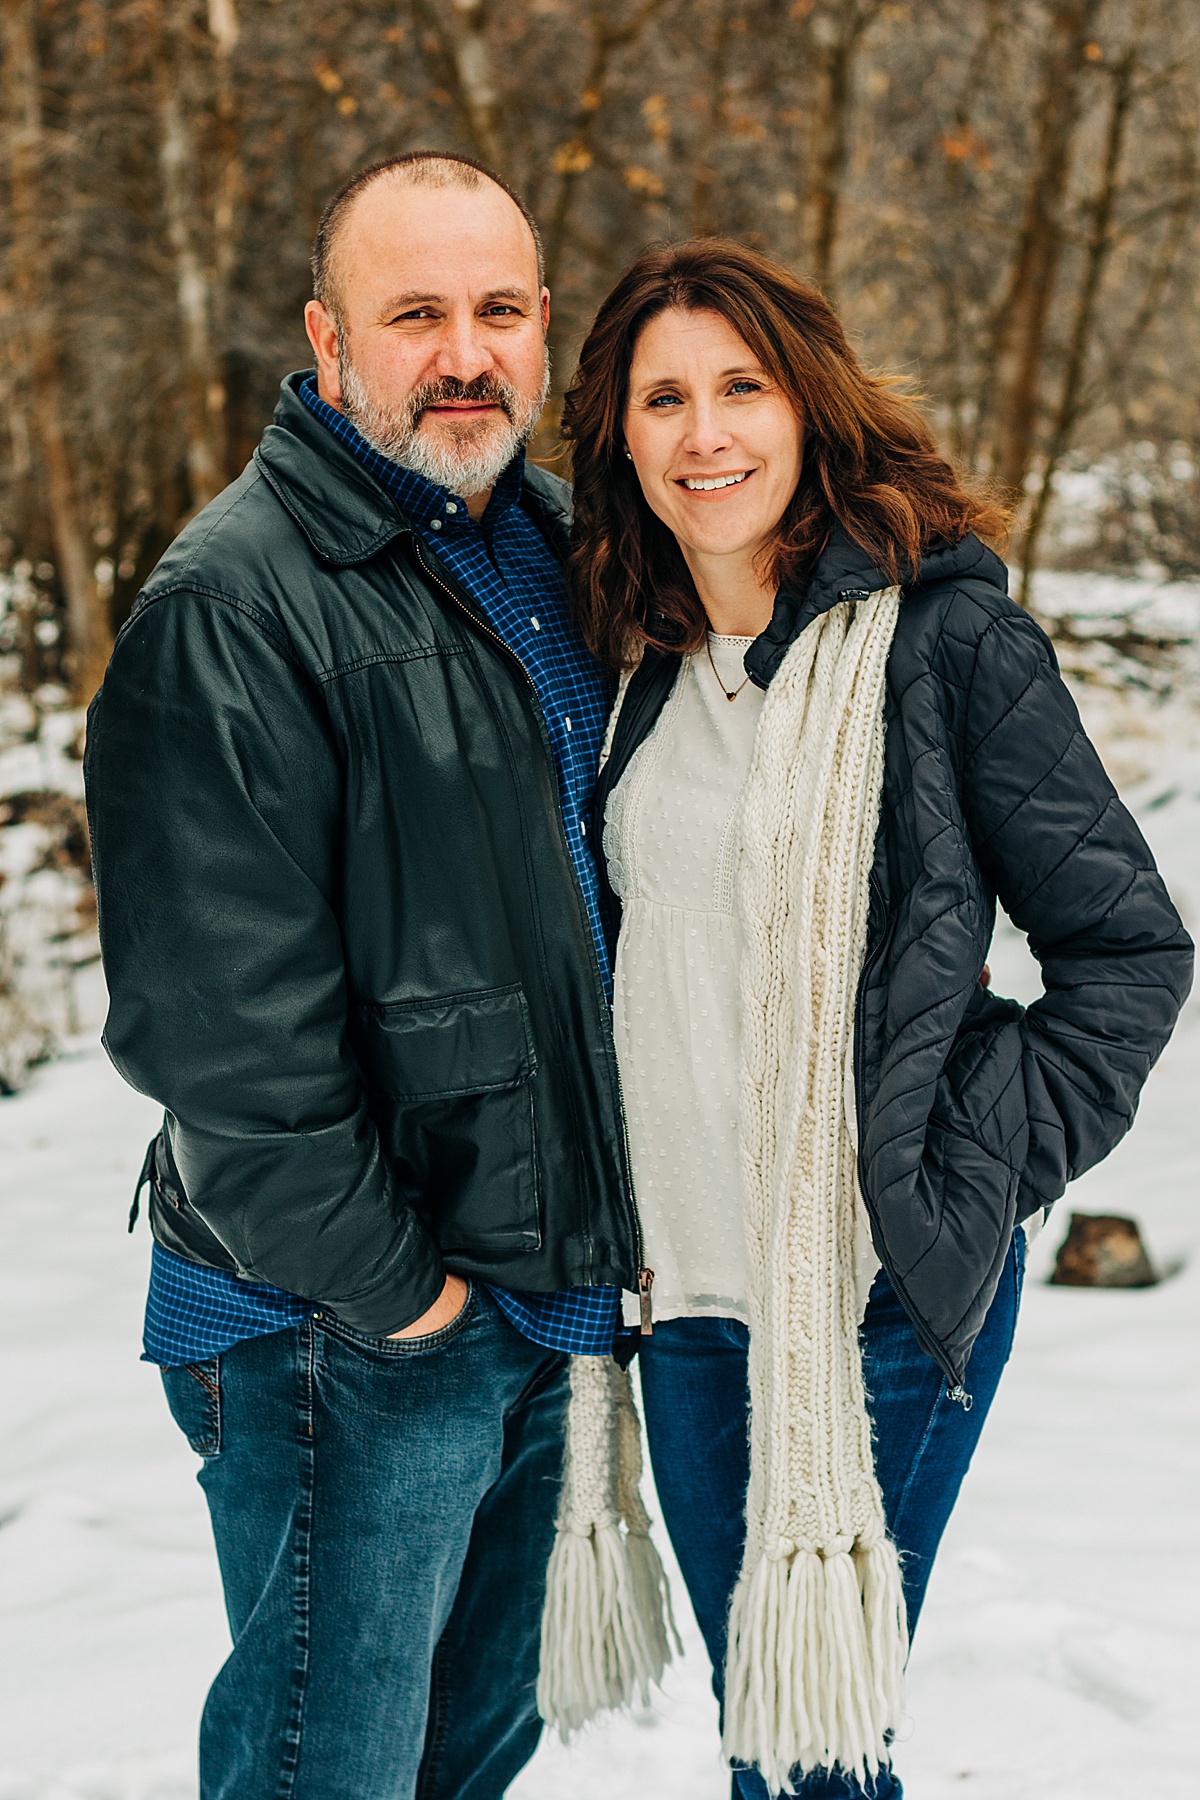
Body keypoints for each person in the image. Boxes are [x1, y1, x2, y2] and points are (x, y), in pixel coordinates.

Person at [544, 239, 1193, 1798]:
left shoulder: (944, 642)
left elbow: (1127, 948)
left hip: (881, 1292)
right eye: (665, 398)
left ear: (808, 401)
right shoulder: (624, 661)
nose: (706, 434)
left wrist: (971, 1158)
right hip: (685, 1297)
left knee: (812, 1746)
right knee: (770, 1741)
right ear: (621, 436)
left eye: (741, 389)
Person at [84, 153, 649, 1800]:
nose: (462, 352)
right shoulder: (234, 602)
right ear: (330, 344)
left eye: (496, 311)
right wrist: (402, 1298)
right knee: (325, 1776)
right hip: (343, 1321)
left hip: (543, 1306)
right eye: (416, 314)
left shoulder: (559, 553)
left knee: (466, 1763)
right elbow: (219, 1033)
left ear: (543, 334)